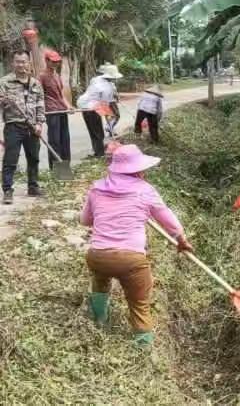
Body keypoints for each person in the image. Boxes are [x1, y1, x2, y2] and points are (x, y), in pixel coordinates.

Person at [80, 144, 192, 346]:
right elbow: (167, 219)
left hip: (97, 255)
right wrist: (181, 240)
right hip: (130, 260)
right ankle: (143, 352)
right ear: (138, 170)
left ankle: (100, 320)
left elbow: (85, 220)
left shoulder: (96, 188)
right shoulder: (145, 190)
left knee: (100, 280)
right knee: (139, 304)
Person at [0, 50, 45, 204]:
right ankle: (7, 190)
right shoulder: (4, 82)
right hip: (14, 125)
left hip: (32, 127)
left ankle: (33, 186)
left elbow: (40, 104)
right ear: (13, 63)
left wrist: (39, 123)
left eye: (23, 61)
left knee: (33, 158)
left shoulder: (35, 83)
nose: (21, 65)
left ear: (29, 63)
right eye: (18, 61)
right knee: (10, 160)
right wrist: (4, 101)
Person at [77, 64, 123, 157]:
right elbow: (105, 105)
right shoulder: (106, 88)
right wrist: (108, 118)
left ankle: (98, 150)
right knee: (96, 131)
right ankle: (99, 154)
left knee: (97, 131)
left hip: (89, 105)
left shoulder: (97, 79)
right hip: (89, 108)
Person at [39, 50, 73, 170]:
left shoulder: (56, 75)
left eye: (57, 61)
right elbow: (39, 96)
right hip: (51, 111)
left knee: (65, 139)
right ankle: (56, 169)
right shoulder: (42, 76)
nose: (55, 64)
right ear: (46, 61)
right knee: (55, 140)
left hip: (61, 110)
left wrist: (68, 105)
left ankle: (65, 168)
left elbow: (61, 94)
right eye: (53, 61)